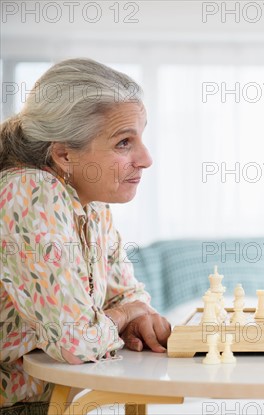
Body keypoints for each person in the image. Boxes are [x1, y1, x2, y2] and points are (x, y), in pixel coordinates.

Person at [0, 59, 171, 413]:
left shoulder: (90, 203)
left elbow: (129, 295)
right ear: (64, 154)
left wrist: (135, 316)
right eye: (124, 142)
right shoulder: (32, 192)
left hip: (58, 399)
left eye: (141, 138)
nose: (146, 158)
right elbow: (76, 341)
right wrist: (126, 314)